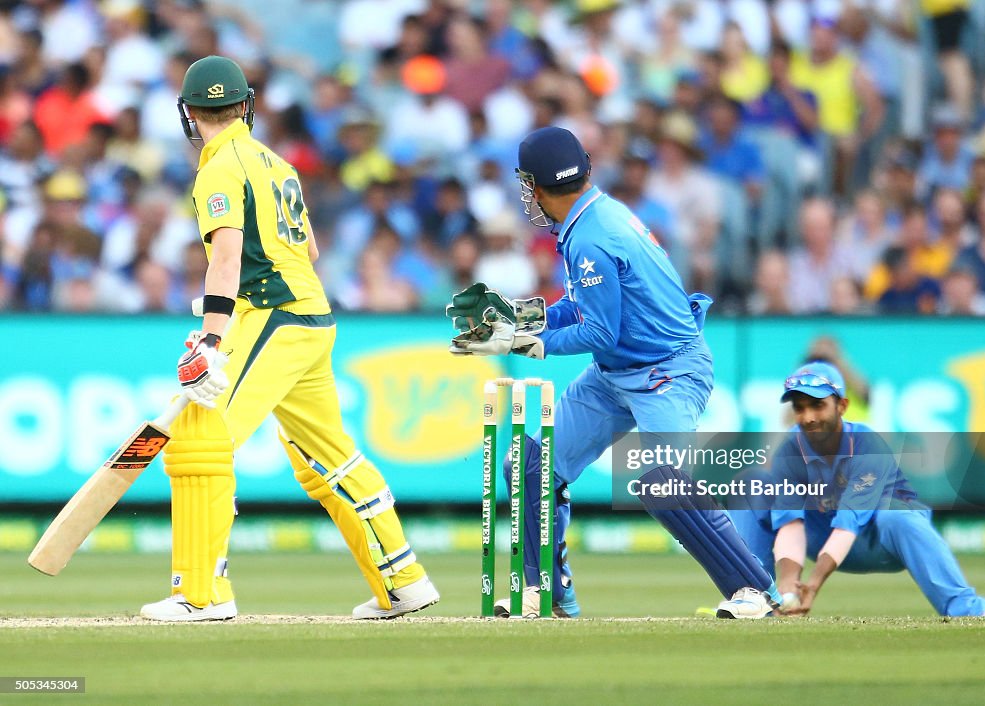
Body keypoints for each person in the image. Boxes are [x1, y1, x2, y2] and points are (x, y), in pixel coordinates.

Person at [140, 55, 438, 621]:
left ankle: (201, 596)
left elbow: (226, 259)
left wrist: (210, 340)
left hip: (275, 316)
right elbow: (311, 252)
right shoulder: (276, 163)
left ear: (189, 113)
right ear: (244, 105)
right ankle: (403, 579)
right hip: (312, 316)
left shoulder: (219, 169)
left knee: (199, 436)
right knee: (326, 458)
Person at [448, 126, 782, 619]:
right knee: (529, 465)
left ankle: (754, 589)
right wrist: (516, 317)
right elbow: (584, 309)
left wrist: (521, 342)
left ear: (538, 186)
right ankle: (546, 591)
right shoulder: (591, 217)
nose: (524, 195)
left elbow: (598, 332)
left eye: (525, 183)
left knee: (662, 481)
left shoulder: (592, 238)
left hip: (668, 370)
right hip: (615, 374)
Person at [728, 361, 985, 617]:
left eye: (817, 405)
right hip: (820, 535)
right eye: (800, 408)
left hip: (878, 540)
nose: (808, 417)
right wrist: (788, 585)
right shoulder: (791, 447)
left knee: (898, 515)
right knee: (751, 483)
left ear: (842, 406)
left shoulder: (866, 443)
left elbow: (847, 525)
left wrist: (813, 583)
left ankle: (969, 609)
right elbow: (791, 524)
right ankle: (756, 599)